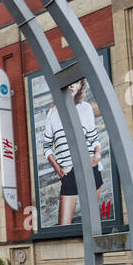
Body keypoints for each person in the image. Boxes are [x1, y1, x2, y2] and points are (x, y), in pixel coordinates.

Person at [42, 79, 103, 228]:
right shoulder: (53, 112)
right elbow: (46, 146)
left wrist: (97, 155)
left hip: (90, 167)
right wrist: (57, 169)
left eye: (75, 83)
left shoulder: (85, 108)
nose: (70, 85)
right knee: (64, 226)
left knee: (92, 221)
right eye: (68, 82)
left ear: (80, 87)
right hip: (68, 170)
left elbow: (94, 138)